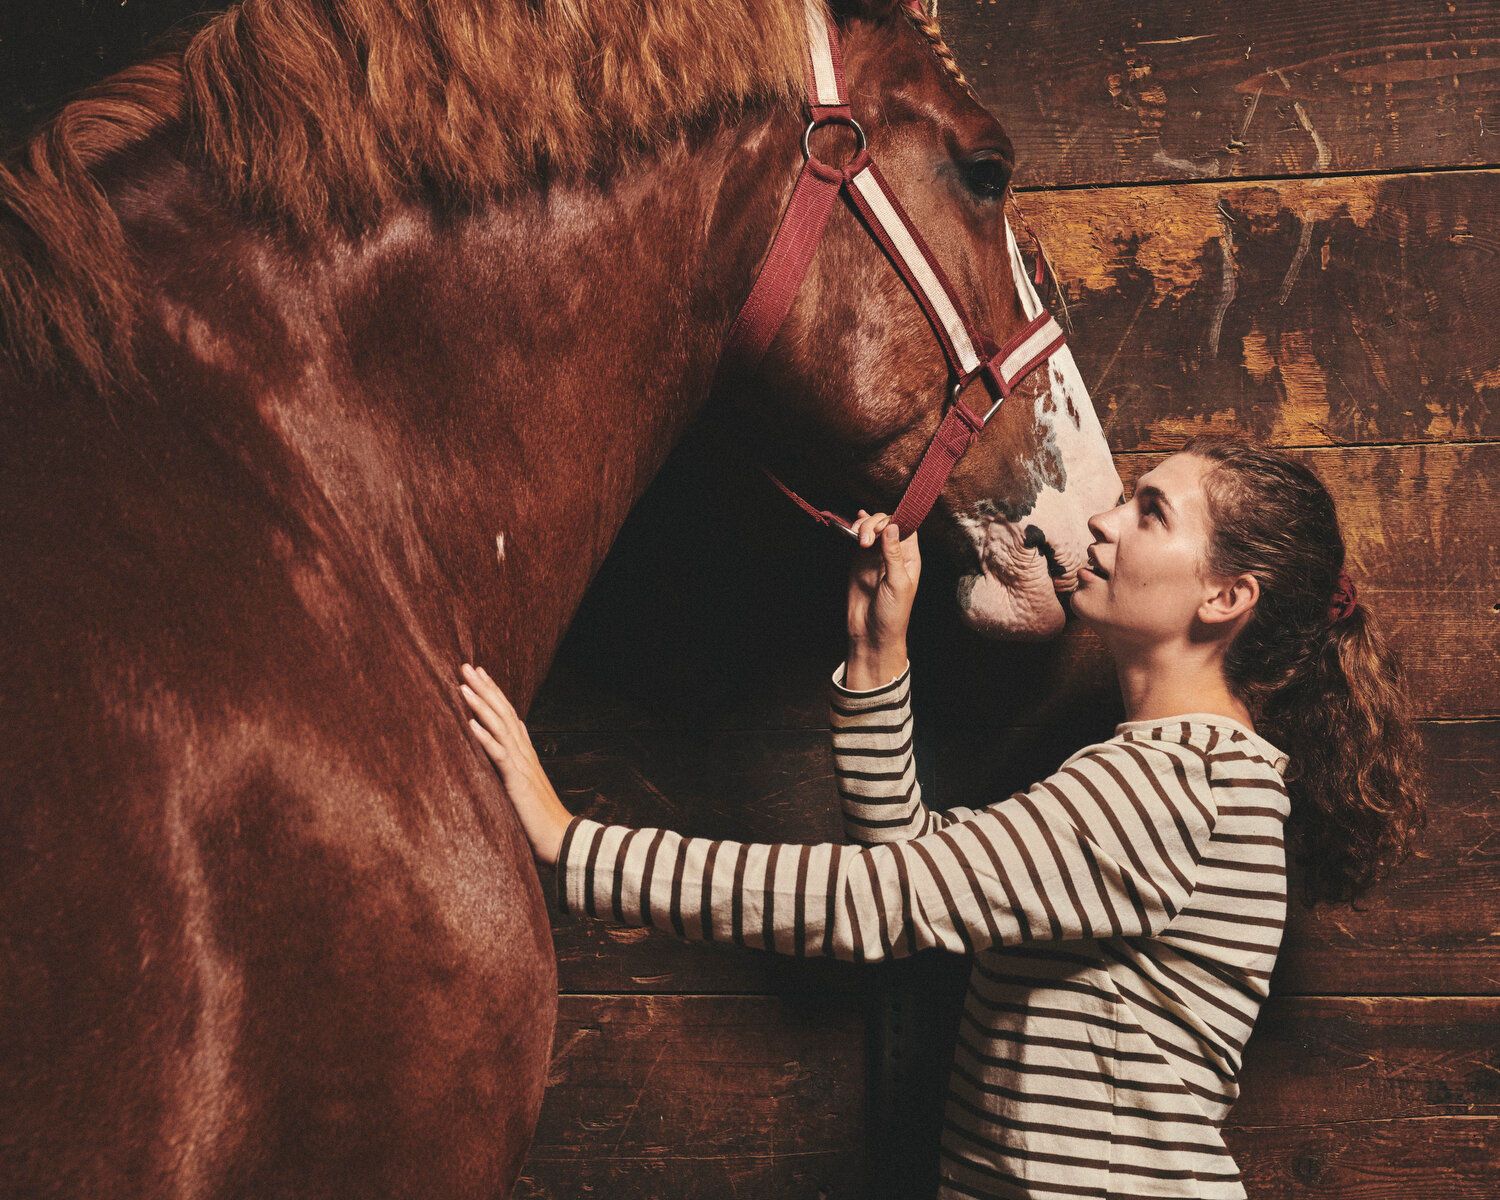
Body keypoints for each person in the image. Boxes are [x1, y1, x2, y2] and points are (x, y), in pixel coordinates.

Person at [458, 436, 1426, 1200]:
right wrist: (880, 660)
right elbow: (920, 881)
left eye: (1150, 511)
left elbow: (883, 902)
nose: (1104, 518)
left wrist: (570, 843)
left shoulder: (1177, 790)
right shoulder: (1178, 779)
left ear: (1225, 597)